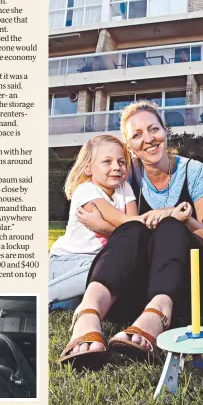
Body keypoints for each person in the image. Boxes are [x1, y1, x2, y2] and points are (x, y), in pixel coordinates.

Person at [59, 100, 203, 369]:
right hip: (133, 282)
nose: (148, 139)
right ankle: (88, 315)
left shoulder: (193, 172)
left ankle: (156, 316)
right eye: (136, 135)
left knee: (171, 226)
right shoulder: (125, 175)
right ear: (129, 146)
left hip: (179, 281)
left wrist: (185, 221)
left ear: (165, 130)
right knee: (133, 228)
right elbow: (115, 219)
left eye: (153, 129)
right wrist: (108, 227)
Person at [48, 135, 141, 315]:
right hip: (67, 262)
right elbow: (125, 223)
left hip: (100, 260)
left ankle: (67, 302)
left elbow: (133, 231)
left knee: (120, 272)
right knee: (112, 269)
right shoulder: (86, 190)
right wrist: (161, 215)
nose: (116, 167)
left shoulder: (125, 188)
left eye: (121, 162)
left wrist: (105, 228)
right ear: (89, 168)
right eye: (107, 161)